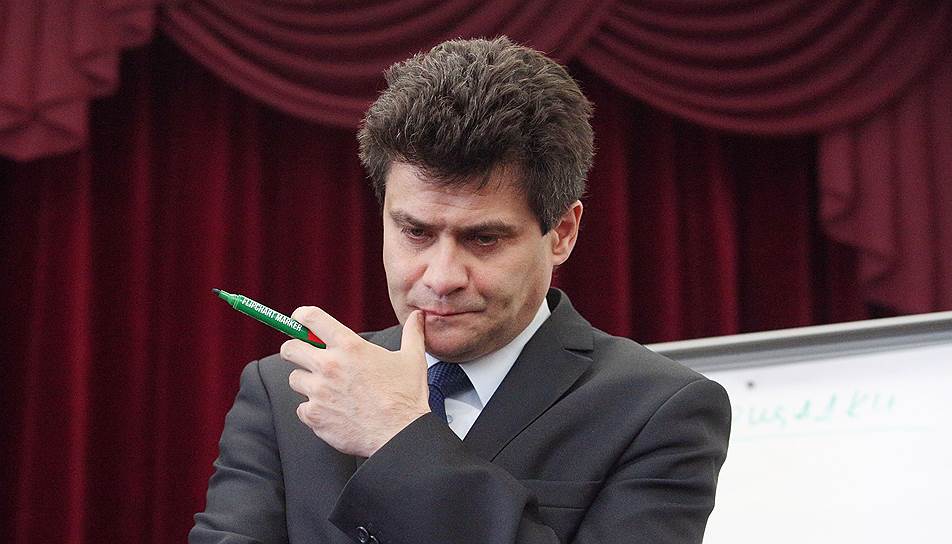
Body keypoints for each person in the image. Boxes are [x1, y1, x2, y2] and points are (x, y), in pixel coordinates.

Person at [190, 36, 730, 544]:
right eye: (415, 232)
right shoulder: (285, 392)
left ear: (562, 233)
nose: (441, 277)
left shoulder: (659, 410)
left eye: (483, 238)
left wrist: (399, 436)